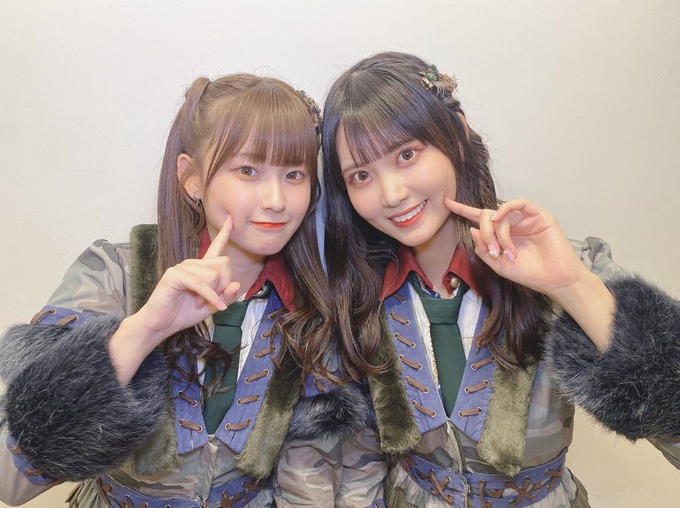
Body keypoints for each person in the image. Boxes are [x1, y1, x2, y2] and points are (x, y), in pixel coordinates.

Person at [0, 73, 384, 507]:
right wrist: (144, 330)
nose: (277, 199)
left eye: (294, 174)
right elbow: (11, 481)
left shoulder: (314, 305)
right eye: (248, 170)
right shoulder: (114, 272)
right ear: (192, 178)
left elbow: (312, 479)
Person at [320, 51, 680, 507]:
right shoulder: (358, 296)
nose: (391, 193)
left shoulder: (563, 265)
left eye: (406, 154)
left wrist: (569, 286)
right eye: (361, 175)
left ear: (458, 134)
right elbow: (359, 465)